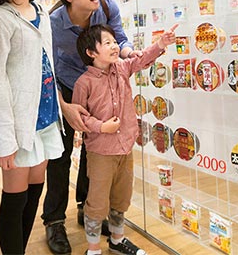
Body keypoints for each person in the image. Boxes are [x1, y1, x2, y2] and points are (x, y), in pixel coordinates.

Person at [43, 0, 138, 254]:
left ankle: (88, 208)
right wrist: (64, 106)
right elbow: (45, 68)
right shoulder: (53, 25)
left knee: (94, 150)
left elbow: (120, 38)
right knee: (60, 155)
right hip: (66, 87)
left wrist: (128, 52)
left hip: (99, 87)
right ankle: (54, 220)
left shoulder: (106, 7)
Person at [0, 0, 65, 255]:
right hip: (18, 123)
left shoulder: (41, 13)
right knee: (15, 198)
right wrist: (6, 138)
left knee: (34, 191)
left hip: (45, 117)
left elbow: (48, 65)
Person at [73, 23, 177, 255]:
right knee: (97, 202)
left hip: (125, 148)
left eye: (114, 41)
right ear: (91, 52)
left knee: (122, 198)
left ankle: (117, 240)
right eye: (107, 43)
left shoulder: (122, 68)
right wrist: (101, 127)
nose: (114, 46)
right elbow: (79, 118)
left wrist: (160, 44)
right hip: (101, 152)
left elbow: (141, 60)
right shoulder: (84, 83)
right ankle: (93, 249)